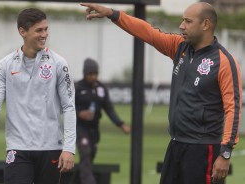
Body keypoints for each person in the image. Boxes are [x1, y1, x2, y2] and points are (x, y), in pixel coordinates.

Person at [80, 2, 242, 184]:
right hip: (175, 144)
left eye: (188, 21)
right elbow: (147, 32)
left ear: (206, 24)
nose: (182, 26)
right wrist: (112, 13)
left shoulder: (224, 61)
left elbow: (233, 109)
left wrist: (225, 152)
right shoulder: (179, 47)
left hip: (203, 149)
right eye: (182, 21)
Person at [0, 8, 76, 184]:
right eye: (39, 30)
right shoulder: (5, 65)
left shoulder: (59, 64)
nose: (44, 34)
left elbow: (69, 107)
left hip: (51, 148)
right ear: (22, 32)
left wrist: (69, 148)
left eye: (46, 29)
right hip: (18, 148)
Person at [75, 58, 131, 184]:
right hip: (80, 128)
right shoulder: (77, 88)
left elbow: (109, 109)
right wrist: (79, 113)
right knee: (85, 153)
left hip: (94, 129)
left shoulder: (101, 89)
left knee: (90, 156)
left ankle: (74, 180)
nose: (93, 76)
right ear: (85, 73)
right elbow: (67, 108)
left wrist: (121, 124)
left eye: (95, 73)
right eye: (90, 74)